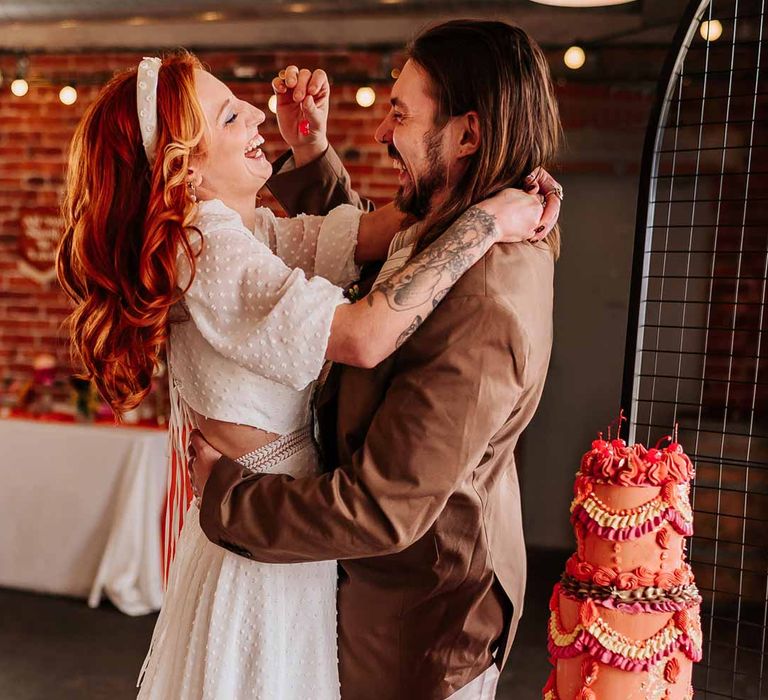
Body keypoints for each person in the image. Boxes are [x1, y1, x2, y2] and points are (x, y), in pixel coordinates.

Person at [55, 45, 557, 700]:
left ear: (467, 135)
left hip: (308, 550)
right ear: (187, 169)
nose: (259, 115)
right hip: (263, 551)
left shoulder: (246, 231)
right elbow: (365, 334)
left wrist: (317, 147)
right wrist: (487, 217)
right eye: (232, 118)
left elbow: (371, 237)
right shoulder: (208, 250)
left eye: (398, 113)